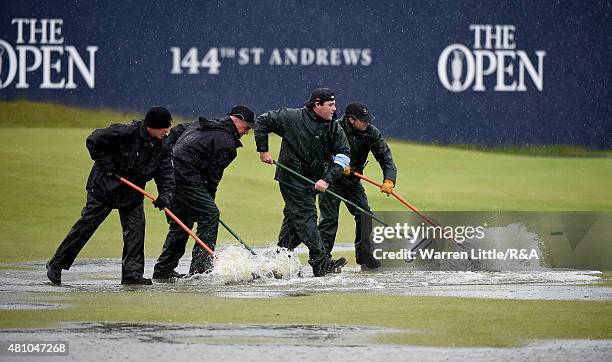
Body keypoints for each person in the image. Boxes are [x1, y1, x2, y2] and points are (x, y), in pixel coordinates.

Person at [46, 107, 175, 285]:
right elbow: (93, 140)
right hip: (104, 188)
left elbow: (166, 172)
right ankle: (56, 264)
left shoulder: (164, 144)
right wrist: (107, 165)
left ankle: (132, 275)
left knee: (135, 232)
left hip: (132, 192)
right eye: (164, 128)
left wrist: (165, 196)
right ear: (152, 126)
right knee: (86, 227)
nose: (168, 131)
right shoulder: (125, 132)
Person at [255, 88, 351, 277]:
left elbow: (344, 154)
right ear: (317, 105)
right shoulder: (292, 117)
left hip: (314, 180)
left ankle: (280, 257)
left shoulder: (333, 127)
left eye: (334, 104)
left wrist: (327, 178)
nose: (334, 109)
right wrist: (263, 150)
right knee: (306, 216)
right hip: (291, 178)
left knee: (294, 221)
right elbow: (262, 121)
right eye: (330, 105)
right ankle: (321, 263)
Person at [152, 105, 255, 280]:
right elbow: (212, 179)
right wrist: (208, 202)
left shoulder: (205, 123)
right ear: (236, 120)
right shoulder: (227, 144)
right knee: (210, 214)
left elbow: (177, 130)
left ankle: (163, 270)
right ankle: (200, 271)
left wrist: (166, 158)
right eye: (246, 127)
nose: (247, 132)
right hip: (186, 177)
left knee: (181, 222)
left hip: (169, 174)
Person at [317, 102, 397, 269]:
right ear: (351, 119)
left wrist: (389, 179)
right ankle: (322, 260)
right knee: (329, 221)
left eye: (368, 120)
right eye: (363, 120)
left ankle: (364, 255)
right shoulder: (333, 128)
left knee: (365, 215)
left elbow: (385, 156)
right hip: (330, 180)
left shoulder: (371, 133)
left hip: (353, 183)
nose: (367, 123)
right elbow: (320, 151)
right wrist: (337, 162)